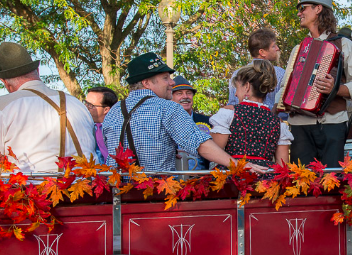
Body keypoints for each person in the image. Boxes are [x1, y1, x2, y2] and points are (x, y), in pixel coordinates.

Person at [102, 52, 264, 173]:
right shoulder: (167, 108)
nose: (172, 82)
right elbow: (202, 146)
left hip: (118, 195)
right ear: (146, 83)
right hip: (156, 196)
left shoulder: (113, 111)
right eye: (165, 78)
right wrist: (240, 165)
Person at [0, 42, 95, 172]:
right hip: (87, 187)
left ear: (5, 81)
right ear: (37, 71)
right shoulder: (77, 104)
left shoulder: (3, 105)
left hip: (30, 189)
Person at [274, 0, 352, 167]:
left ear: (318, 9)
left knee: (331, 180)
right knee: (302, 182)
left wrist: (336, 89)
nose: (299, 13)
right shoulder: (298, 48)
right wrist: (275, 108)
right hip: (299, 124)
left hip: (332, 123)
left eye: (303, 8)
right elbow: (285, 85)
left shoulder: (344, 44)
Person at [210, 60, 292, 167]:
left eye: (237, 88)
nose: (235, 94)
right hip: (266, 180)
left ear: (247, 87)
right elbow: (282, 166)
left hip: (233, 177)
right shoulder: (278, 122)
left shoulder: (229, 113)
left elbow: (214, 154)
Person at [228, 28, 286, 111]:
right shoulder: (280, 73)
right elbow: (284, 108)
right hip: (270, 122)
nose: (277, 48)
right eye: (273, 46)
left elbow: (232, 104)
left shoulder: (237, 74)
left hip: (242, 121)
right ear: (262, 52)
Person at [171, 76, 212, 169]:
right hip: (173, 178)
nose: (185, 96)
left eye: (188, 93)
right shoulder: (165, 122)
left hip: (202, 177)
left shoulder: (207, 121)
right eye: (179, 93)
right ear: (170, 97)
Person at [85, 86, 118, 164]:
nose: (85, 107)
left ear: (106, 109)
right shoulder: (80, 126)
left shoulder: (118, 129)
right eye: (85, 103)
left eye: (90, 105)